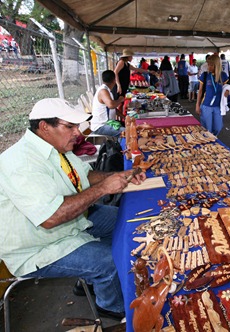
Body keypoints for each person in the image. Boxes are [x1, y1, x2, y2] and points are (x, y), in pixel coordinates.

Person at [0, 98, 147, 320]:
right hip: (39, 247)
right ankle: (110, 306)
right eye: (70, 126)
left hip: (72, 224)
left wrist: (118, 176)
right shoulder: (21, 163)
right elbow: (51, 217)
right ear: (44, 127)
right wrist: (103, 189)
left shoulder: (57, 147)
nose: (78, 132)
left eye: (77, 126)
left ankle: (88, 280)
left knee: (124, 221)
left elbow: (85, 176)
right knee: (110, 260)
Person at [196, 54, 229, 136]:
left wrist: (227, 92)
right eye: (208, 64)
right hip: (206, 106)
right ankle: (209, 145)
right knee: (207, 129)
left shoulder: (223, 76)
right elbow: (200, 91)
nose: (208, 67)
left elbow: (227, 88)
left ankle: (213, 139)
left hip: (218, 106)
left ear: (217, 65)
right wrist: (197, 105)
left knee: (218, 127)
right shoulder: (205, 75)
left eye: (211, 65)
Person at [91, 70, 125, 138]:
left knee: (127, 126)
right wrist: (120, 100)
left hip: (108, 123)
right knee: (128, 132)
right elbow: (111, 105)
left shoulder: (107, 90)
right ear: (114, 80)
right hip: (101, 127)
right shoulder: (103, 91)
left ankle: (118, 145)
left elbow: (112, 109)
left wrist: (123, 117)